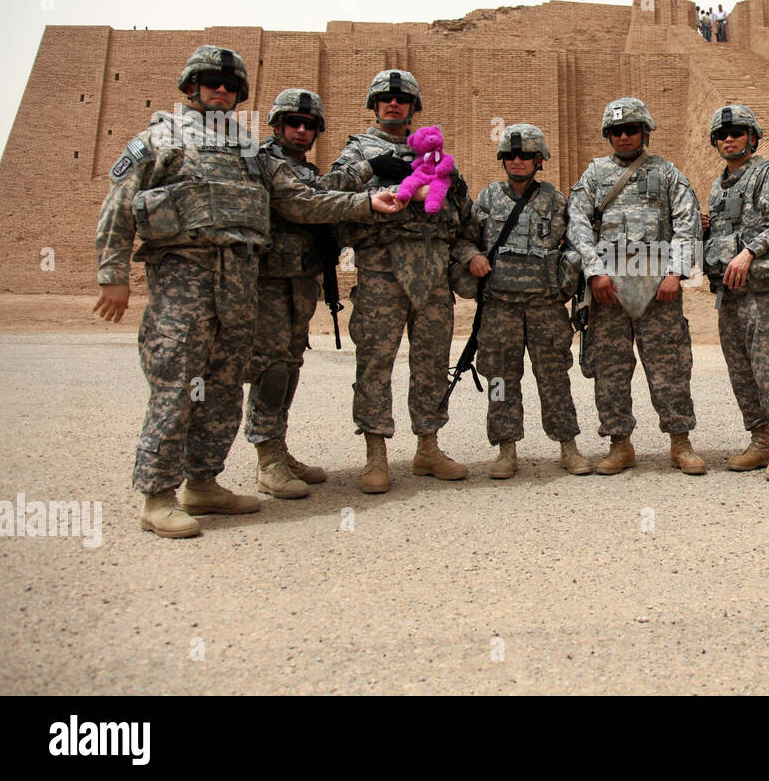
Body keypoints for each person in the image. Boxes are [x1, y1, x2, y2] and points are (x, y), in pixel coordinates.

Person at [94, 46, 404, 538]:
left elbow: (295, 198)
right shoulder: (161, 136)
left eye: (231, 85)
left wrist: (364, 196)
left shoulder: (245, 148)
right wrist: (112, 275)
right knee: (176, 383)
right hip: (184, 277)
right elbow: (119, 203)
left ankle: (203, 482)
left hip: (238, 281)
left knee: (222, 386)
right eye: (212, 81)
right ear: (190, 86)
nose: (222, 90)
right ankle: (156, 495)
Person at [242, 88, 408, 498]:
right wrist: (368, 195)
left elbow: (320, 188)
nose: (301, 130)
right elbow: (305, 204)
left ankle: (278, 449)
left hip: (298, 278)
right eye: (293, 124)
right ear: (276, 126)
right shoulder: (267, 160)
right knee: (271, 366)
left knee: (290, 362)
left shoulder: (301, 166)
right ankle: (267, 459)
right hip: (269, 281)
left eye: (309, 125)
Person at [332, 69, 481, 493]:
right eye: (385, 98)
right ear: (374, 106)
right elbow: (330, 194)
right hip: (383, 272)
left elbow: (463, 212)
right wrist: (369, 168)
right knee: (376, 363)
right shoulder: (358, 151)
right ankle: (376, 455)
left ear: (413, 107)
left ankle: (428, 448)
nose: (393, 104)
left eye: (401, 99)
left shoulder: (436, 156)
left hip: (432, 275)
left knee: (432, 363)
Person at [566, 97, 705, 475]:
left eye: (630, 129)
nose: (623, 136)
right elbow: (577, 225)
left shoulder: (668, 173)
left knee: (670, 367)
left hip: (659, 288)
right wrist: (594, 271)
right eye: (616, 131)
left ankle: (680, 442)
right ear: (607, 135)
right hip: (607, 290)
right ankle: (619, 444)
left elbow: (686, 223)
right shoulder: (594, 175)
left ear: (645, 131)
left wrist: (676, 272)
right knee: (611, 370)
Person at [469, 123, 591, 479]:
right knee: (499, 379)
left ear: (540, 160)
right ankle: (506, 450)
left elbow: (575, 246)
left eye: (525, 155)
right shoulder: (488, 199)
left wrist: (564, 282)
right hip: (499, 305)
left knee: (554, 377)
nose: (517, 160)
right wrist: (471, 257)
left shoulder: (555, 201)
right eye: (510, 154)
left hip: (544, 306)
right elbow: (463, 240)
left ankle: (568, 446)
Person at [701, 105, 769, 480]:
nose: (729, 139)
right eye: (722, 136)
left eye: (737, 133)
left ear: (752, 138)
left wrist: (748, 252)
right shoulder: (719, 185)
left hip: (763, 290)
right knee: (740, 369)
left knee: (768, 365)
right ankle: (760, 440)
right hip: (730, 292)